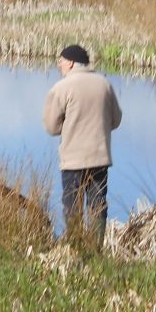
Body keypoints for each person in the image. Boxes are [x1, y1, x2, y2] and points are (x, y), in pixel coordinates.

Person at [43, 44, 122, 246]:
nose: (59, 65)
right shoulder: (105, 84)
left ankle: (76, 248)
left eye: (60, 61)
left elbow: (51, 127)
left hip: (73, 161)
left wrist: (68, 127)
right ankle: (96, 250)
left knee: (72, 206)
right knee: (98, 205)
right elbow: (116, 120)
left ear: (70, 63)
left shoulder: (62, 88)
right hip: (100, 158)